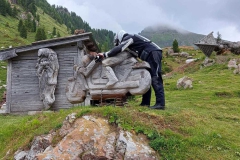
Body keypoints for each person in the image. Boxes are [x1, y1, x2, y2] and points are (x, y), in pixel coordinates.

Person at [97, 30, 165, 110]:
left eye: (118, 42)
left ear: (119, 37)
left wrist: (105, 54)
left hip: (153, 53)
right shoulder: (132, 41)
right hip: (150, 54)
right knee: (148, 79)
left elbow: (119, 48)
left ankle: (160, 104)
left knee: (155, 77)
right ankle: (145, 103)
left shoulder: (129, 38)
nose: (118, 44)